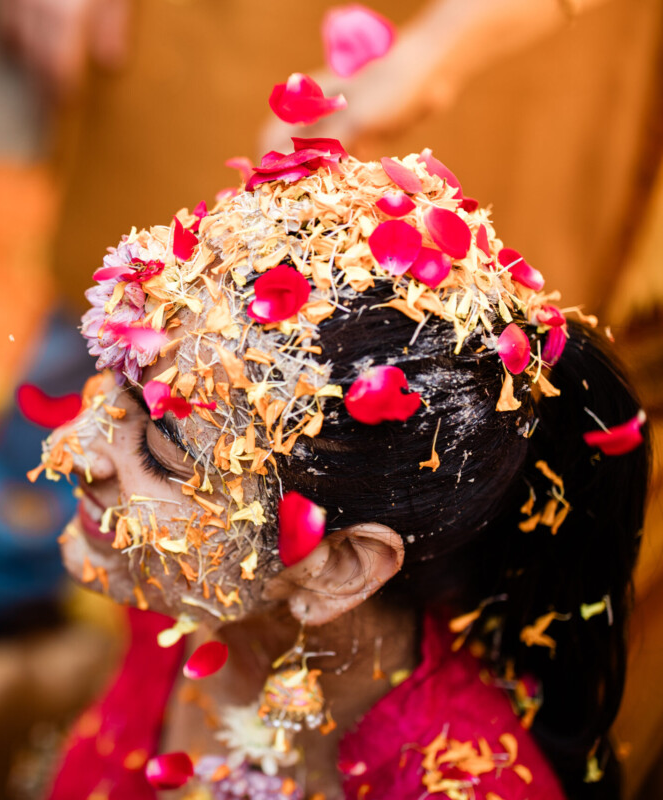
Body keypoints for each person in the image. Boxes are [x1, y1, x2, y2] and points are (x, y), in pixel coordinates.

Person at [41, 145, 649, 799]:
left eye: (160, 448)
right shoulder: (177, 596)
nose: (69, 448)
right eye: (110, 383)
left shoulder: (464, 785)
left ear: (339, 566)